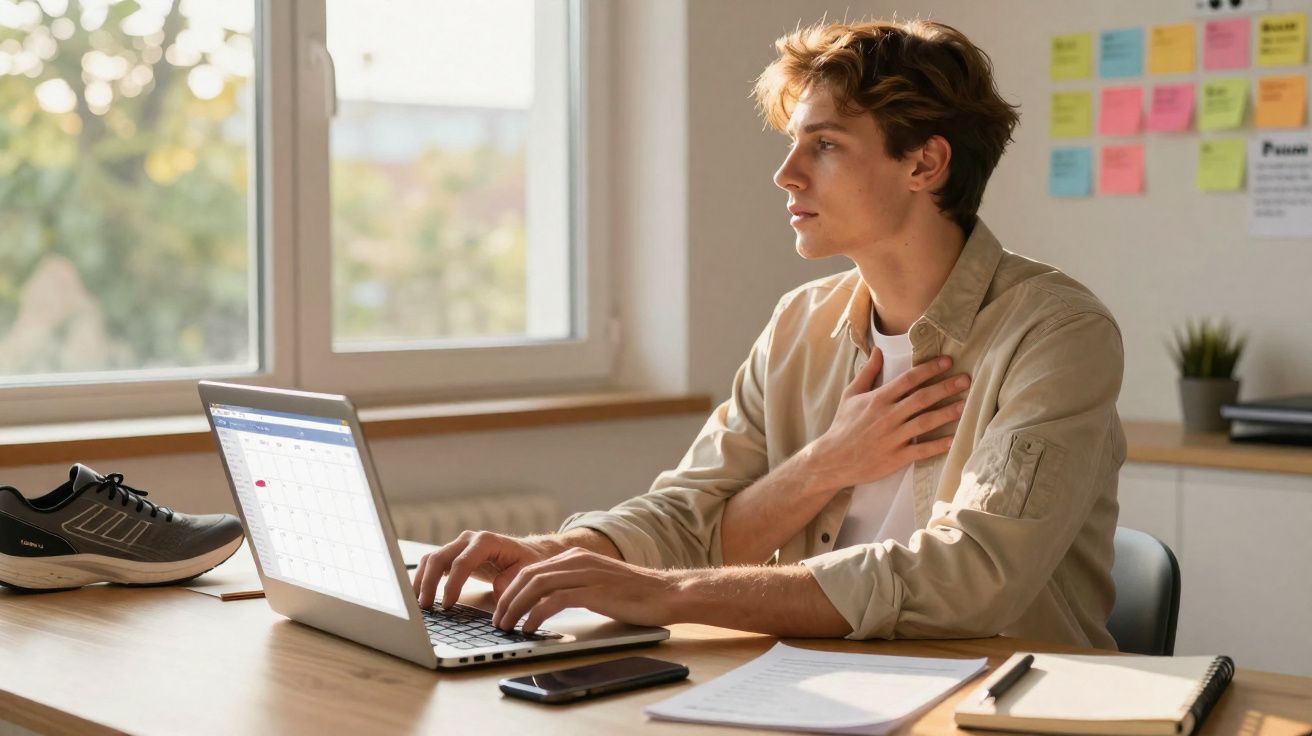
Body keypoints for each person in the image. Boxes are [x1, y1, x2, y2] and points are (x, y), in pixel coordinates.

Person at [412, 18, 1126, 648]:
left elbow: (973, 576)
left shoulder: (1056, 333)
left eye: (825, 146)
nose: (786, 175)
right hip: (811, 684)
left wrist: (669, 594)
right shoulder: (799, 324)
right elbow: (694, 517)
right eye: (793, 144)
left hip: (996, 701)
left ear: (924, 162)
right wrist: (555, 552)